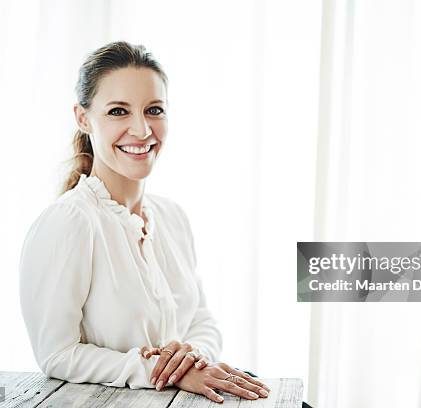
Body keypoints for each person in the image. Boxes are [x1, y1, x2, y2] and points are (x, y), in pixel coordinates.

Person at [18, 41, 270, 404]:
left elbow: (202, 320)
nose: (142, 129)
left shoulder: (172, 217)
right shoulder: (69, 223)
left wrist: (193, 356)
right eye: (119, 111)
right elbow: (56, 354)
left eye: (154, 110)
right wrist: (163, 372)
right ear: (83, 117)